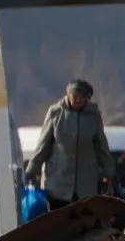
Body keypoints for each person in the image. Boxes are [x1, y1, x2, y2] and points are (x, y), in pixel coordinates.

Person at [24, 79, 115, 210]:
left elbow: (101, 147)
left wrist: (109, 172)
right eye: (75, 96)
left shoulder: (93, 115)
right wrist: (33, 168)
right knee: (58, 221)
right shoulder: (56, 113)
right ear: (68, 95)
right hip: (57, 181)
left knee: (84, 222)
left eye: (82, 97)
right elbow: (43, 144)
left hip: (85, 183)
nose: (78, 100)